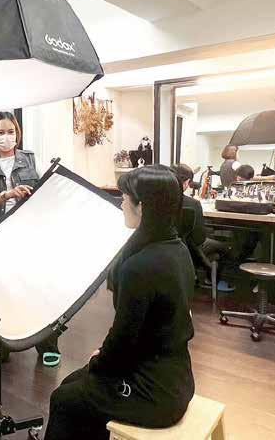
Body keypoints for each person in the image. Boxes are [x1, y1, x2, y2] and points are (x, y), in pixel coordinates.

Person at [44, 166, 195, 440]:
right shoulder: (177, 249)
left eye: (124, 198)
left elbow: (124, 339)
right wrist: (102, 357)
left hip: (155, 392)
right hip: (177, 376)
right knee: (71, 382)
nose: (121, 203)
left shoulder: (140, 266)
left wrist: (99, 360)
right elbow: (140, 330)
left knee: (63, 399)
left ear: (142, 207)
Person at [0, 111, 61, 367]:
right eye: (0, 132)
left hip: (30, 232)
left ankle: (47, 344)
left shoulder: (31, 159)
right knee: (0, 292)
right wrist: (9, 193)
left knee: (39, 289)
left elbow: (49, 189)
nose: (6, 137)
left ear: (17, 134)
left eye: (11, 131)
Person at [171, 163, 234, 292]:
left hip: (168, 250)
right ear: (187, 182)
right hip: (187, 250)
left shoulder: (158, 200)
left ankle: (200, 274)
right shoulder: (193, 204)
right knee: (226, 248)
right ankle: (211, 280)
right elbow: (199, 239)